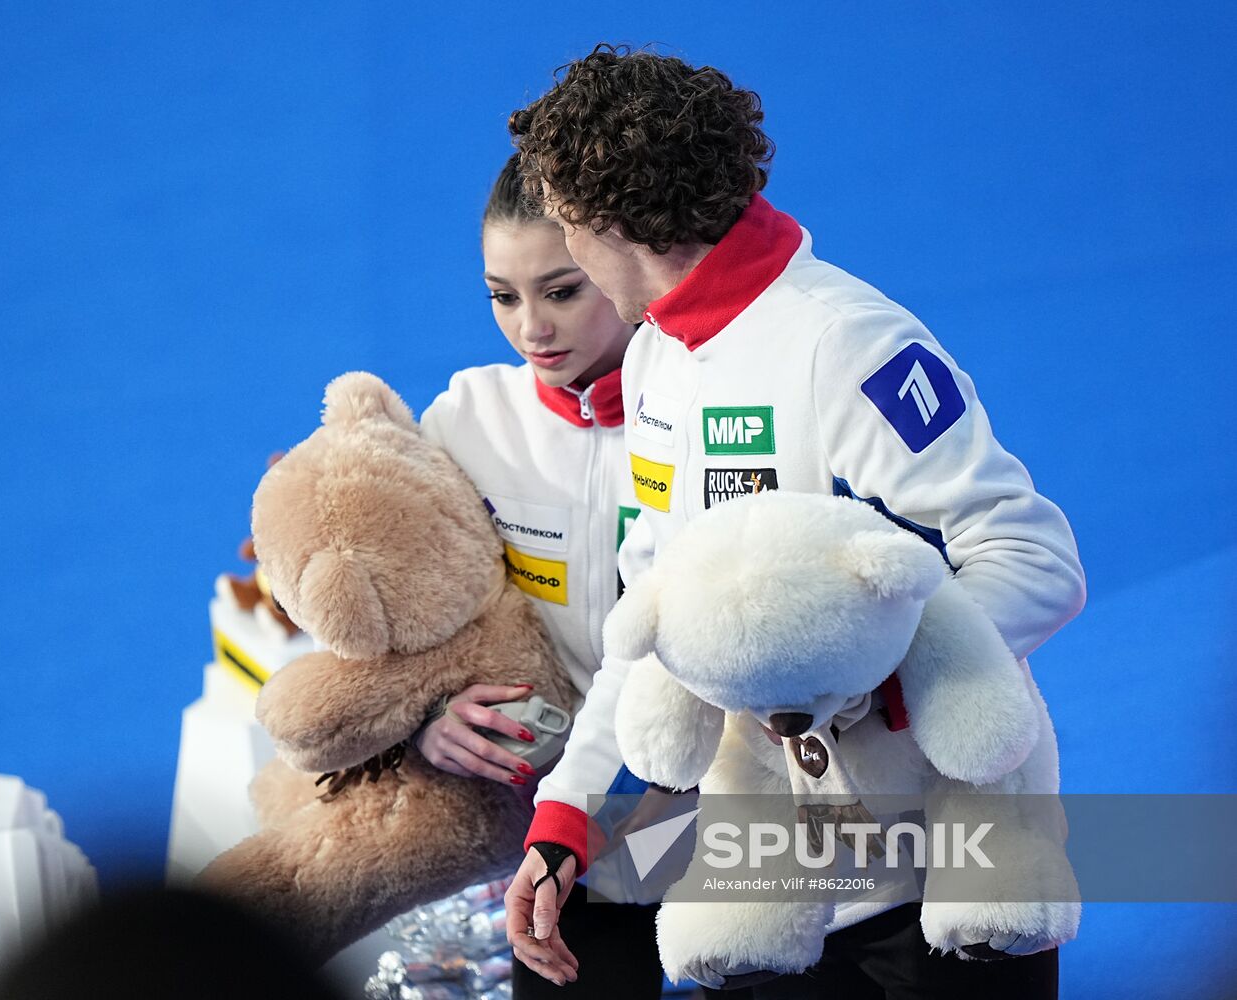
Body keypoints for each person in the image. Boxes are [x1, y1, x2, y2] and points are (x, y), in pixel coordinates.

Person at [501, 46, 1087, 999]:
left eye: (568, 226)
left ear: (612, 221)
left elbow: (1032, 556)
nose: (569, 252)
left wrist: (868, 678)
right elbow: (655, 624)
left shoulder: (846, 342)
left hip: (941, 878)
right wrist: (570, 819)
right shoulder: (655, 360)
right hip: (768, 879)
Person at [415, 153, 674, 998]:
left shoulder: (713, 409)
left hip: (737, 809)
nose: (532, 328)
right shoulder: (467, 422)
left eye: (562, 291)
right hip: (574, 831)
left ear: (623, 263)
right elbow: (409, 614)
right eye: (503, 295)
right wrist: (427, 718)